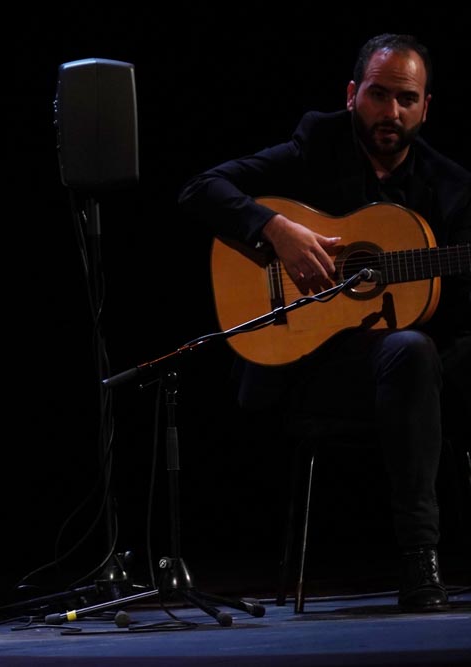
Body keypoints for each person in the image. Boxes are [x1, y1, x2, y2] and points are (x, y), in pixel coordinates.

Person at [178, 33, 469, 611]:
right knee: (410, 351)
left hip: (412, 378)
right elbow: (199, 189)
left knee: (416, 351)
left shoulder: (451, 187)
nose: (391, 112)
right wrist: (275, 230)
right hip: (308, 367)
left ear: (426, 107)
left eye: (406, 99)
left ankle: (428, 556)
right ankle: (420, 556)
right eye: (378, 95)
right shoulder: (317, 144)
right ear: (352, 94)